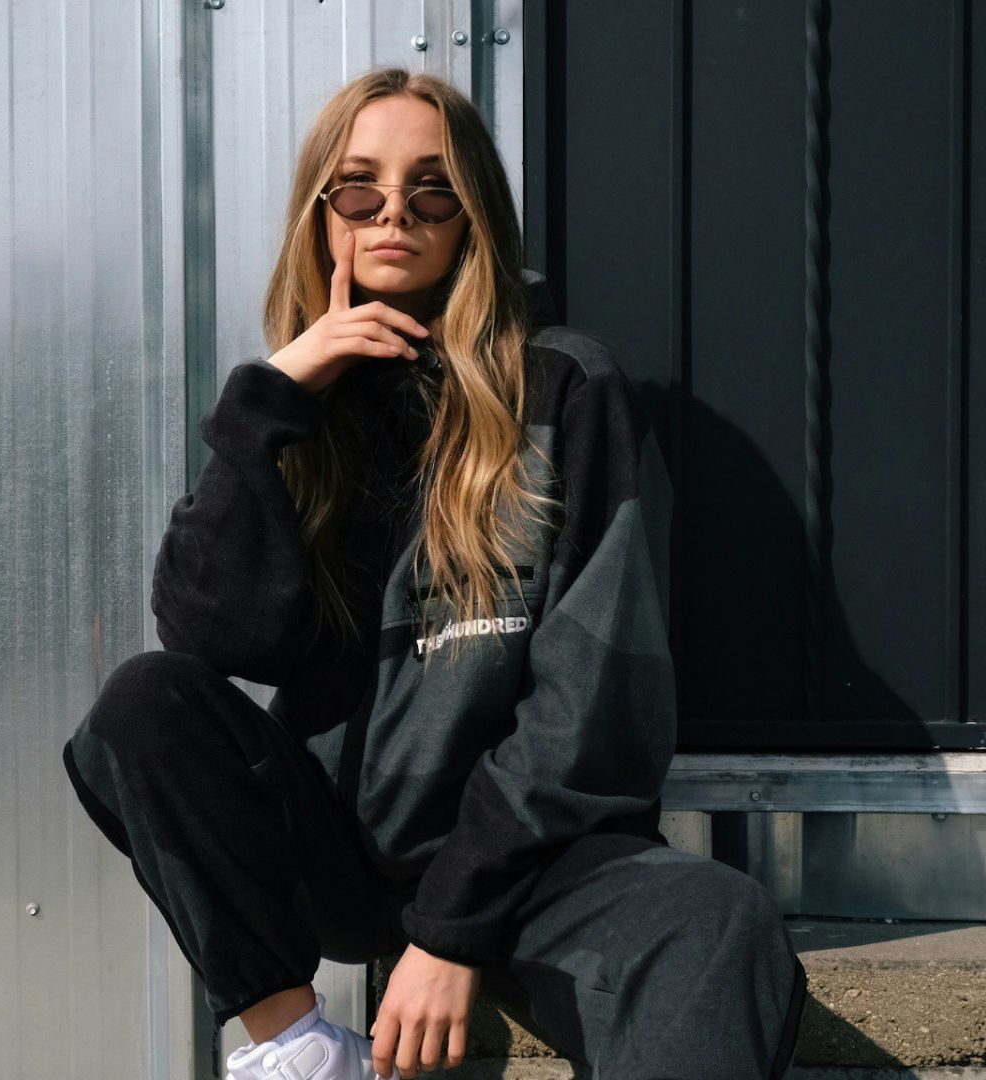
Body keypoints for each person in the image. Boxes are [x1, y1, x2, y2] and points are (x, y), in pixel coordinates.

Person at [62, 66, 807, 1080]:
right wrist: (266, 407)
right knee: (144, 702)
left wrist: (451, 931)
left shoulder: (564, 389)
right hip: (341, 857)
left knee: (719, 920)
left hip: (535, 866)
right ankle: (299, 1049)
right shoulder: (300, 413)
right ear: (322, 213)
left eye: (431, 191)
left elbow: (590, 702)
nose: (393, 214)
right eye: (359, 189)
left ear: (473, 218)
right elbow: (214, 636)